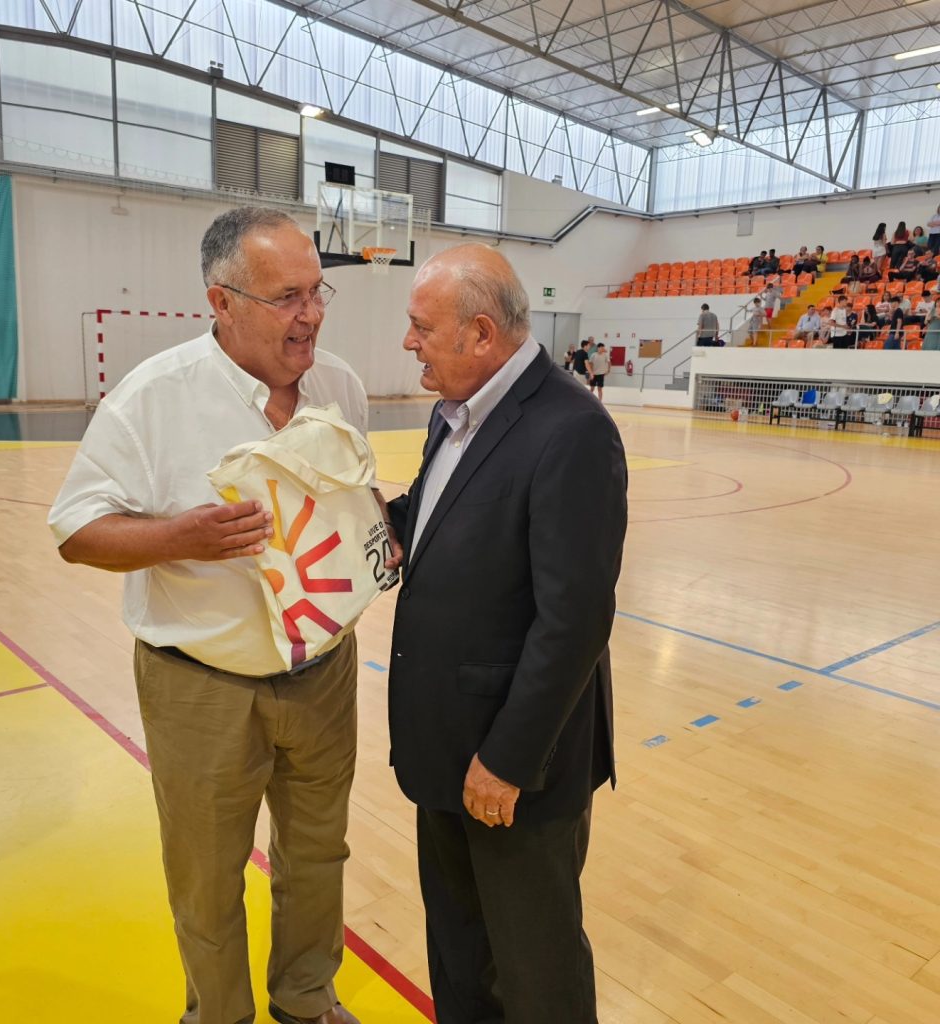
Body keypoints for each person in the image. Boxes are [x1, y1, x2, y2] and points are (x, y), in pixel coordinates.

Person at [48, 207, 374, 1024]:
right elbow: (77, 532)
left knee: (317, 854)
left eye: (316, 291)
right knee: (206, 872)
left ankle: (306, 999)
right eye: (287, 297)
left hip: (324, 673)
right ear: (221, 302)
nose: (311, 314)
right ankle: (218, 1013)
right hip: (201, 685)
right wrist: (178, 537)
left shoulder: (339, 386)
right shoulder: (151, 398)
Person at [384, 243, 628, 1024]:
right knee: (459, 957)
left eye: (421, 326)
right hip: (444, 749)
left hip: (511, 767)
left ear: (481, 334)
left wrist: (508, 760)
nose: (408, 342)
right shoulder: (453, 412)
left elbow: (575, 619)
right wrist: (355, 515)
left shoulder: (571, 431)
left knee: (536, 974)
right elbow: (427, 513)